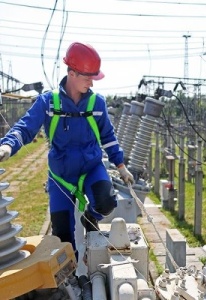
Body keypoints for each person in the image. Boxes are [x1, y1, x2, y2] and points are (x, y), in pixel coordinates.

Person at [0, 42, 134, 251]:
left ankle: (91, 218)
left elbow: (108, 136)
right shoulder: (48, 103)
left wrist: (121, 166)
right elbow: (25, 127)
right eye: (88, 77)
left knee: (107, 202)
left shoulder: (97, 103)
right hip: (61, 175)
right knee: (62, 234)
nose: (91, 83)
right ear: (72, 73)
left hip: (91, 167)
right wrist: (7, 146)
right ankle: (71, 279)